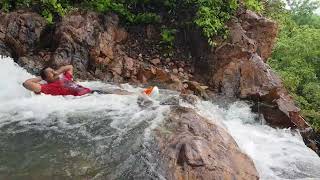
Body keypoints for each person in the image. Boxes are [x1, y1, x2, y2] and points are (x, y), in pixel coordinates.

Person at [23, 65, 93, 96]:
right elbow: (26, 83)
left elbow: (70, 67)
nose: (54, 73)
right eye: (50, 73)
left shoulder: (65, 77)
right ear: (46, 79)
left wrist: (57, 72)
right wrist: (41, 78)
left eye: (53, 70)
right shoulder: (49, 87)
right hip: (87, 97)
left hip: (92, 93)